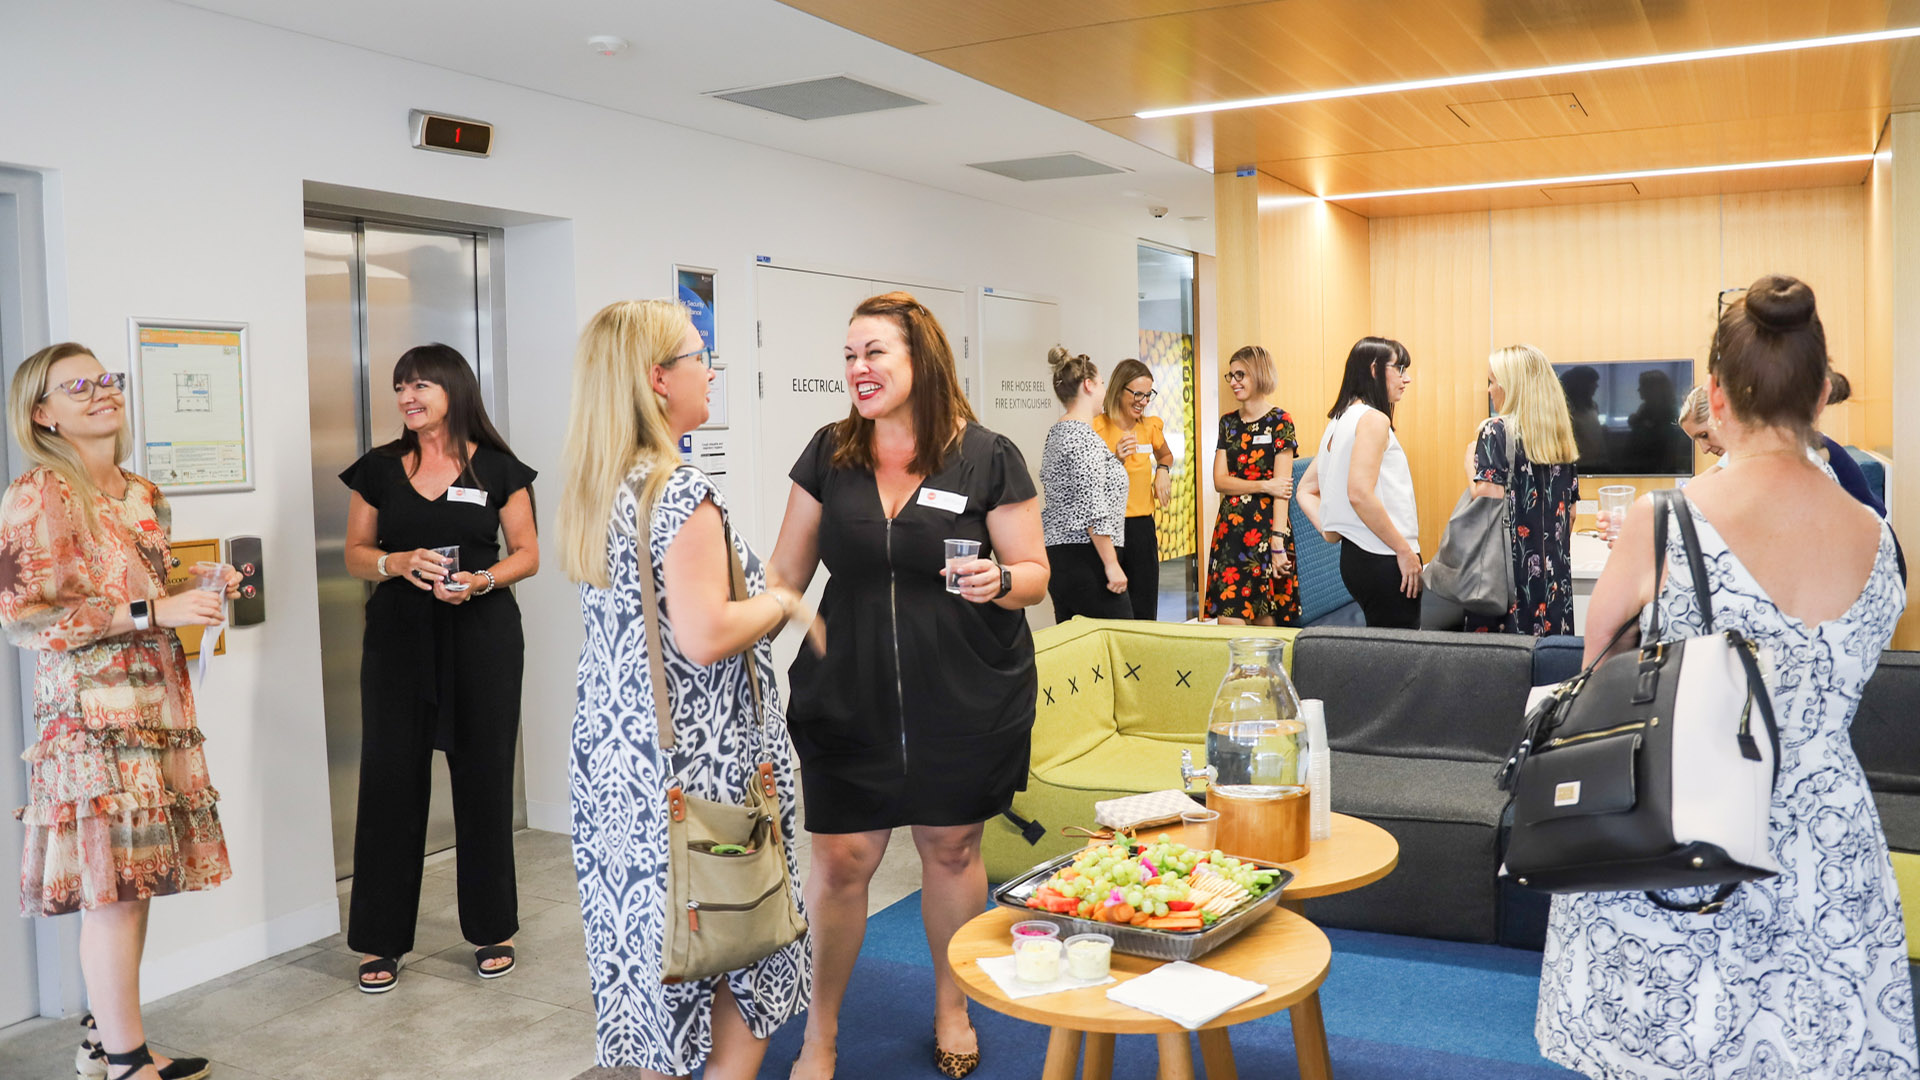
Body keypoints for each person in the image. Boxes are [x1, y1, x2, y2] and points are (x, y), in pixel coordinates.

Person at [1537, 275, 1914, 1080]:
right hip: (1826, 847)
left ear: (1714, 395)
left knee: (1680, 1049)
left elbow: (1596, 662)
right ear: (1819, 393)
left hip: (1686, 832)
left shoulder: (1666, 522)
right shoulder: (1884, 541)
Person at [772, 292, 1048, 1080]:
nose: (858, 370)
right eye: (850, 356)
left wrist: (1000, 578)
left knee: (952, 846)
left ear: (919, 360)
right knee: (843, 859)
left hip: (963, 690)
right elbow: (786, 576)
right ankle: (821, 1030)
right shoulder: (830, 451)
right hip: (848, 689)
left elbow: (1034, 574)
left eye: (875, 354)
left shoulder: (988, 454)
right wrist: (712, 629)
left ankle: (952, 1004)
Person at [561, 300, 811, 1079]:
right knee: (747, 947)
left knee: (656, 960)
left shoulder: (601, 484)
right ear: (657, 379)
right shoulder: (680, 491)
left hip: (618, 766)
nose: (713, 370)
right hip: (702, 773)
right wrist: (782, 599)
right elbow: (704, 638)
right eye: (700, 355)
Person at [1, 342, 237, 1080]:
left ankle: (105, 1044)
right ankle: (129, 1061)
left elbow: (150, 590)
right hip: (90, 719)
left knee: (135, 886)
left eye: (107, 379)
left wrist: (203, 581)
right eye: (79, 386)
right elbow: (22, 617)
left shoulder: (140, 493)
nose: (102, 392)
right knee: (113, 891)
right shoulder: (37, 493)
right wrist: (150, 608)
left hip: (155, 707)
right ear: (42, 413)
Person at [339, 343, 538, 992]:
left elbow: (527, 554)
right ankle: (380, 940)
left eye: (421, 384)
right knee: (391, 785)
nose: (407, 397)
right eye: (400, 387)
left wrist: (481, 579)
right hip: (397, 642)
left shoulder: (499, 469)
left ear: (455, 388)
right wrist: (393, 564)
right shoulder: (377, 469)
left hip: (481, 638)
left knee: (483, 782)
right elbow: (355, 553)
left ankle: (491, 929)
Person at [1297, 337, 1421, 628]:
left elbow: (1305, 490)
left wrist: (1332, 529)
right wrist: (1404, 551)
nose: (1407, 378)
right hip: (1385, 558)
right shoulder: (1373, 419)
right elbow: (1359, 494)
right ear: (1375, 370)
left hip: (1356, 559)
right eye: (1400, 368)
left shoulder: (1338, 421)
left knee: (1381, 652)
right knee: (1400, 657)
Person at [1461, 345, 1578, 636]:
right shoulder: (1560, 438)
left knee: (1503, 674)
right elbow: (1571, 514)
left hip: (1506, 587)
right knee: (1550, 670)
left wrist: (1468, 462)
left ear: (1511, 386)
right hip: (1554, 589)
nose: (1489, 390)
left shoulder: (1495, 431)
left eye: (1492, 381)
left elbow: (1486, 504)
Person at [1202, 345, 1299, 625]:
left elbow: (1283, 491)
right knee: (1229, 622)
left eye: (1240, 374)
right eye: (1230, 376)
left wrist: (1278, 543)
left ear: (1259, 374)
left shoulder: (1280, 421)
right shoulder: (1228, 423)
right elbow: (1220, 481)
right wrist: (1263, 486)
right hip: (1231, 532)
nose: (1233, 382)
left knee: (1265, 622)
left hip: (1267, 532)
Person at [1039, 347, 1130, 621]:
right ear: (1088, 385)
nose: (1104, 390)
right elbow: (1091, 507)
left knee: (1079, 652)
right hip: (1086, 556)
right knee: (1121, 646)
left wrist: (1114, 462)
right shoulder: (1083, 437)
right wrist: (1111, 564)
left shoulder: (1058, 433)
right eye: (1101, 383)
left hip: (1062, 555)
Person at [1090, 358, 1175, 619]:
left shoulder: (1150, 427)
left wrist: (1163, 471)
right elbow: (1088, 484)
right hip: (1107, 531)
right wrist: (1114, 459)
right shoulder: (1096, 428)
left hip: (1141, 529)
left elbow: (1166, 456)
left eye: (1148, 395)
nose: (1143, 401)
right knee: (1109, 607)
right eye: (1137, 394)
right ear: (1118, 389)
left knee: (1144, 608)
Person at [1561, 365, 1609, 470]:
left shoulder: (1593, 405)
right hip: (1581, 466)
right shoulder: (1566, 411)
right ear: (1582, 385)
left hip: (1601, 463)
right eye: (1593, 382)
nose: (1596, 386)